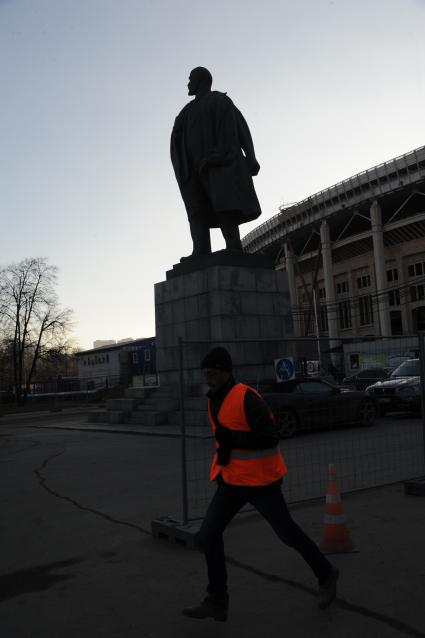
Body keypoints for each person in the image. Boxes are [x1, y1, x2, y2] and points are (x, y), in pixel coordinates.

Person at [182, 347, 339, 622]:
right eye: (205, 374)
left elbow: (270, 437)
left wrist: (234, 439)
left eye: (212, 373)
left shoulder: (247, 397)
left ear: (225, 371)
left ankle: (326, 573)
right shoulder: (213, 399)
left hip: (262, 482)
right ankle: (217, 600)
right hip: (231, 481)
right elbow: (224, 440)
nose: (207, 378)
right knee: (208, 536)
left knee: (287, 534)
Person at [170, 67, 262, 261]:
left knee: (223, 205)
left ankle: (234, 246)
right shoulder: (187, 111)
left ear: (201, 80)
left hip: (218, 163)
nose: (187, 84)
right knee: (196, 209)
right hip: (192, 169)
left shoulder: (220, 101)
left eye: (190, 79)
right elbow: (177, 135)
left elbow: (241, 129)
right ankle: (201, 249)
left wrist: (251, 156)